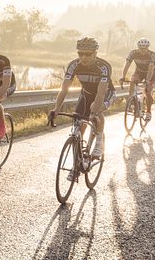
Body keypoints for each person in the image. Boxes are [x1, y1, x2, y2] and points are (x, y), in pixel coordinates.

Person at [49, 37, 116, 182]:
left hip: (104, 93)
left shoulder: (103, 66)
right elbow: (64, 89)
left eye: (87, 54)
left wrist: (93, 113)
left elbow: (101, 93)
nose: (83, 57)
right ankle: (76, 165)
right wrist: (56, 108)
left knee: (95, 110)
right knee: (78, 126)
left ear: (95, 53)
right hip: (86, 94)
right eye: (80, 54)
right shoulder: (74, 65)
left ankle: (99, 141)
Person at [120, 38, 155, 121]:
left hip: (150, 73)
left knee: (148, 91)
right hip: (139, 71)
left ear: (148, 48)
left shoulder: (152, 54)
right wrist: (123, 76)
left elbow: (151, 69)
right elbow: (127, 65)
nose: (143, 50)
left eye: (145, 48)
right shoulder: (133, 53)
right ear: (138, 47)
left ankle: (148, 112)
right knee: (132, 82)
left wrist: (147, 80)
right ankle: (131, 102)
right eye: (141, 48)